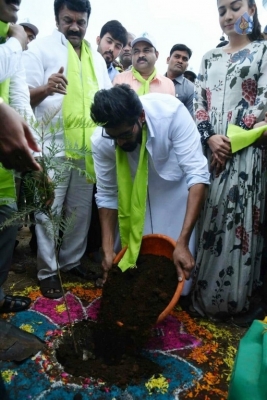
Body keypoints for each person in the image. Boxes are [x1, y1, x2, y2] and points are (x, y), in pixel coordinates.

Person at [22, 0, 111, 298]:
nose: (74, 26)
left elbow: (105, 99)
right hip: (52, 146)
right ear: (57, 19)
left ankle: (71, 262)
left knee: (80, 212)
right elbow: (20, 99)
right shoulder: (41, 49)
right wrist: (46, 88)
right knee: (48, 211)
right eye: (68, 20)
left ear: (87, 22)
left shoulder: (96, 59)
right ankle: (47, 271)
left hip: (88, 150)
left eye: (80, 21)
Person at [90, 84, 210, 287]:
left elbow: (197, 175)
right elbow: (107, 195)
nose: (119, 143)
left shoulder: (171, 113)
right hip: (134, 198)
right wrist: (108, 249)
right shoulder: (102, 140)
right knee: (135, 267)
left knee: (176, 272)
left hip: (174, 189)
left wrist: (182, 242)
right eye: (113, 136)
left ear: (141, 117)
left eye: (125, 134)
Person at [192, 0, 267, 321]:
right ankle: (203, 299)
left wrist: (233, 141)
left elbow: (264, 101)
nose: (228, 16)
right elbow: (199, 103)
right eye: (222, 10)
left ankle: (234, 303)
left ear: (251, 10)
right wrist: (211, 138)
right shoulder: (209, 58)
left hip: (246, 153)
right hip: (212, 153)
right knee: (210, 219)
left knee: (239, 225)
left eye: (235, 7)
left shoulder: (263, 52)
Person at [0, 0, 44, 374]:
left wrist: (31, 143)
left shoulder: (6, 33)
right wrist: (15, 43)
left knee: (7, 231)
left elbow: (16, 99)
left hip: (5, 168)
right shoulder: (12, 40)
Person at [165, 44, 194, 116]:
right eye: (177, 57)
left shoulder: (191, 89)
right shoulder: (155, 81)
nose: (180, 61)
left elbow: (190, 119)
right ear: (168, 60)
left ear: (187, 65)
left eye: (184, 59)